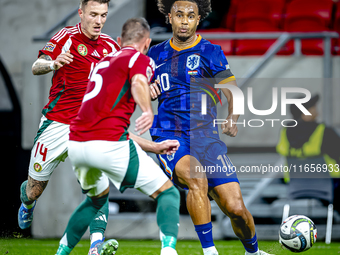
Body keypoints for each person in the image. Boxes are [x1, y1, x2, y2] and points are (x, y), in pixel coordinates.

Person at [148, 1, 273, 255]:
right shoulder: (154, 54)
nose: (184, 21)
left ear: (199, 19)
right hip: (169, 136)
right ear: (169, 18)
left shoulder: (210, 51)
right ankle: (209, 251)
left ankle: (254, 251)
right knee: (195, 177)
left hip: (206, 137)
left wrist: (232, 117)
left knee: (235, 208)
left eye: (191, 16)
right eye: (180, 15)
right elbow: (134, 87)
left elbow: (232, 90)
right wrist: (144, 90)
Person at [64, 17, 181, 255]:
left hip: (76, 143)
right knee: (168, 193)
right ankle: (169, 251)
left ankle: (61, 252)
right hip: (108, 145)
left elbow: (108, 123)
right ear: (147, 43)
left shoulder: (101, 63)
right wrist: (147, 109)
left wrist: (154, 147)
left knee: (94, 201)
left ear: (119, 41)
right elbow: (139, 81)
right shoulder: (140, 59)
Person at [18, 0, 120, 253]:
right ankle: (27, 203)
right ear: (81, 13)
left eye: (103, 15)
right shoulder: (66, 37)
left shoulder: (110, 45)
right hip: (57, 124)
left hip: (91, 128)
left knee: (99, 186)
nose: (98, 21)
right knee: (34, 189)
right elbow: (36, 66)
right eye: (94, 14)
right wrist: (54, 63)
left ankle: (96, 244)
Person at [276, 94, 340, 212]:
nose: (317, 111)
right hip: (329, 187)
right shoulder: (325, 132)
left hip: (296, 187)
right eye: (313, 108)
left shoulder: (285, 131)